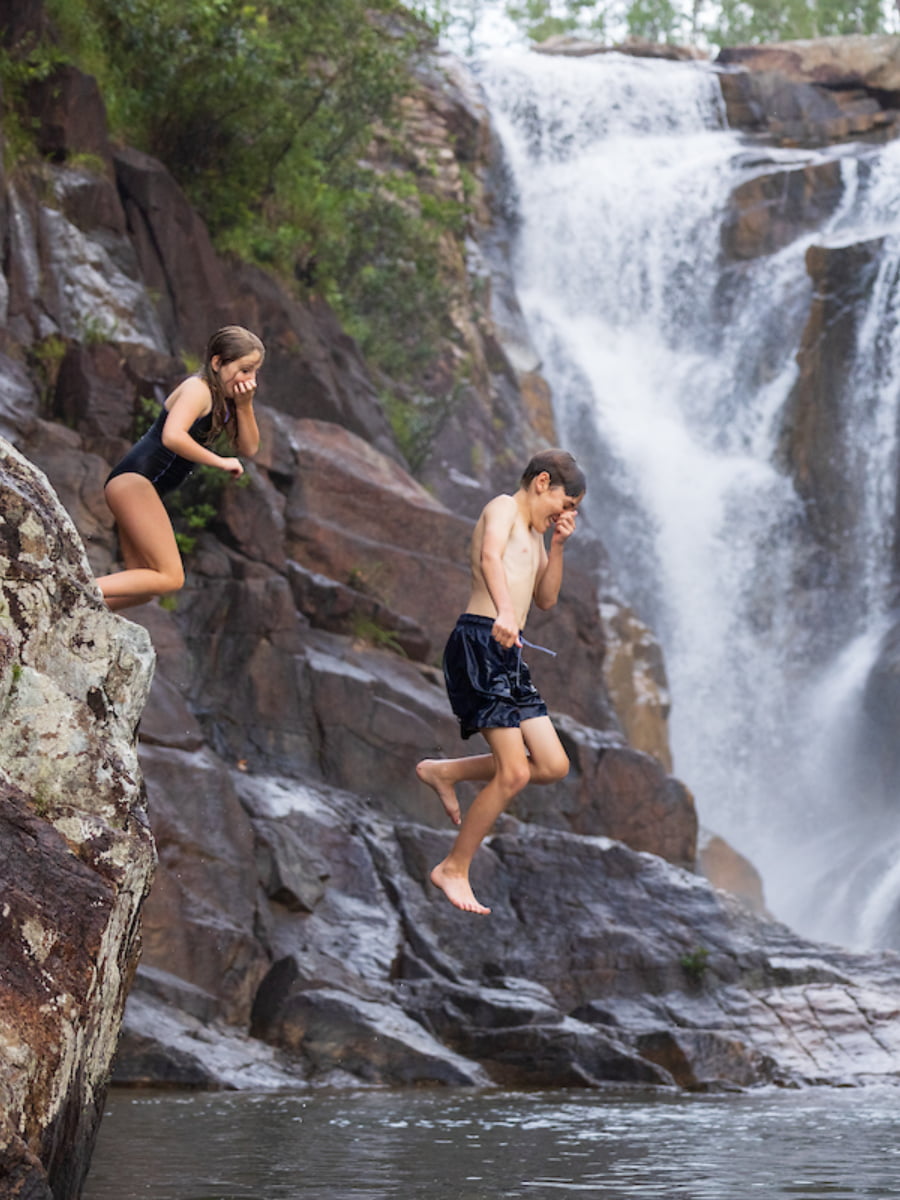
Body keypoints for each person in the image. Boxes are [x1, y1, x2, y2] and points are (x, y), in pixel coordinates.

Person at [417, 448, 586, 915]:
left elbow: (547, 599)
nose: (565, 514)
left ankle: (445, 771)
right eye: (566, 504)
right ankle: (454, 867)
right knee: (513, 771)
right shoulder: (503, 508)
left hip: (509, 653)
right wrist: (507, 612)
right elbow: (490, 557)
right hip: (479, 641)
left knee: (551, 765)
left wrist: (557, 547)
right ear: (542, 482)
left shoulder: (536, 536)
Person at [96, 325, 264, 612]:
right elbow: (172, 436)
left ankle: (68, 614)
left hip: (139, 488)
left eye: (255, 371)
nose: (250, 379)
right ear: (217, 362)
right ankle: (68, 588)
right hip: (134, 483)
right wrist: (219, 461)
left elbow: (249, 448)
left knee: (143, 589)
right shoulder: (197, 389)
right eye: (245, 369)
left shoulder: (224, 401)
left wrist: (245, 405)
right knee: (171, 577)